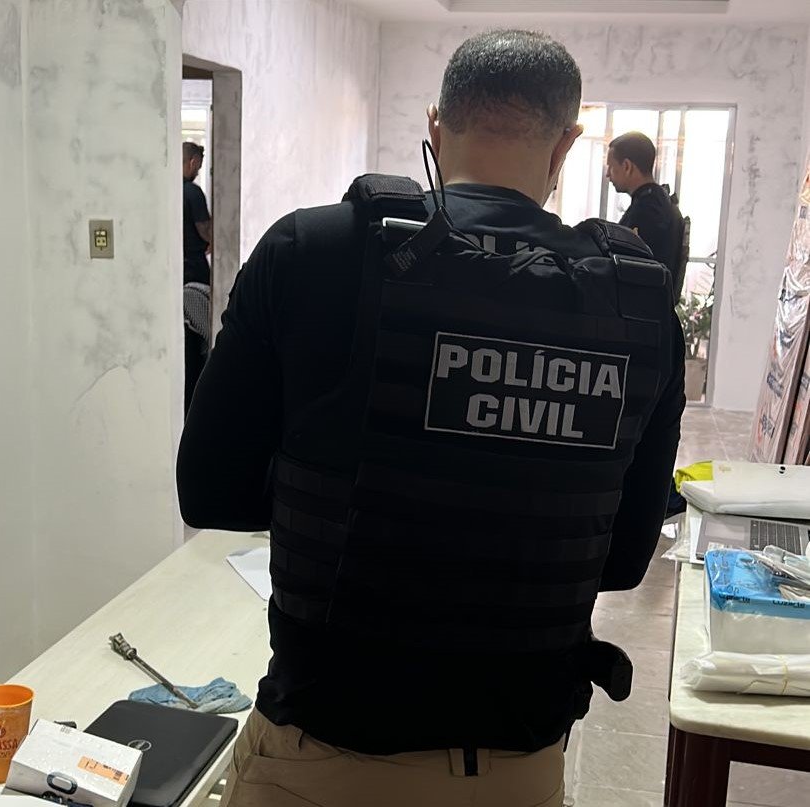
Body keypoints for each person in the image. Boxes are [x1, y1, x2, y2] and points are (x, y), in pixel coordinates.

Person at [178, 29, 684, 807]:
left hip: (323, 759)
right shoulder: (639, 303)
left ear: (435, 127)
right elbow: (618, 561)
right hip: (520, 771)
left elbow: (210, 492)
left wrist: (345, 486)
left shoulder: (310, 250)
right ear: (567, 143)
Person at [606, 131, 687, 297]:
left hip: (642, 306)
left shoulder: (647, 212)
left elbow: (626, 267)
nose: (608, 174)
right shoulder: (661, 204)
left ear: (627, 166)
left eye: (611, 167)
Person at [182, 141, 212, 412]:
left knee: (185, 351)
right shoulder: (192, 191)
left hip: (179, 278)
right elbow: (205, 229)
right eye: (199, 166)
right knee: (202, 345)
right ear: (192, 162)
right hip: (195, 276)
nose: (198, 171)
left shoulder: (170, 190)